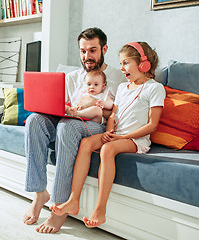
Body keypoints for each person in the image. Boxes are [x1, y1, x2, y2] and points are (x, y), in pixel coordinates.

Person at [50, 42, 166, 228]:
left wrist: (121, 138)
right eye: (121, 63)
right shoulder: (122, 88)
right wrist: (110, 131)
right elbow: (113, 114)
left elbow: (152, 125)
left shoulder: (154, 88)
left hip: (136, 140)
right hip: (117, 135)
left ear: (143, 64)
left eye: (126, 63)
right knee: (86, 143)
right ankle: (73, 200)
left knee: (107, 149)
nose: (122, 68)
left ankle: (100, 209)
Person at [23, 27, 126, 234]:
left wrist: (94, 109)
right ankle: (39, 193)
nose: (87, 56)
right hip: (68, 118)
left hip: (96, 124)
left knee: (66, 127)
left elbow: (119, 113)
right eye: (83, 51)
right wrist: (61, 109)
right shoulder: (71, 77)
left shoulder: (118, 77)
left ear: (104, 48)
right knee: (34, 120)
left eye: (93, 50)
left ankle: (60, 207)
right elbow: (60, 105)